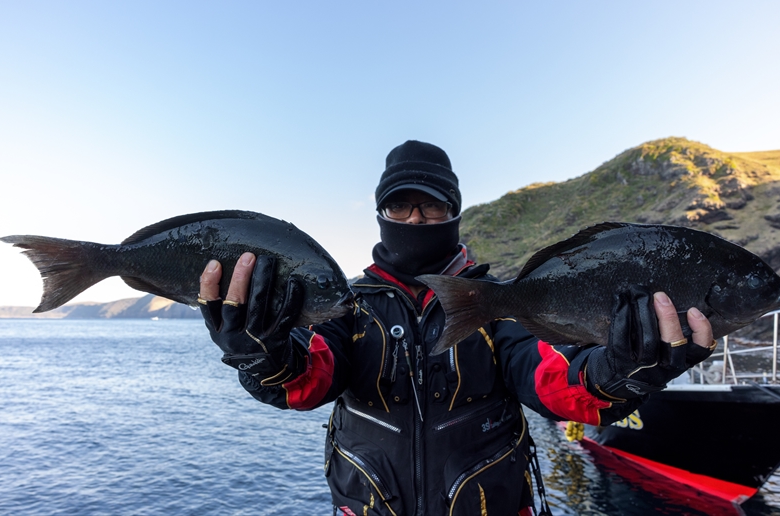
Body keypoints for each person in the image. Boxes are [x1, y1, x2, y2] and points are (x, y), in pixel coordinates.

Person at [197, 140, 716, 516]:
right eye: (400, 204)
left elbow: (556, 382)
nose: (416, 217)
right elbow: (306, 381)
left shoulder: (499, 303)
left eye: (432, 204)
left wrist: (623, 370)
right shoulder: (348, 304)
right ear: (380, 212)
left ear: (455, 212)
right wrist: (259, 352)